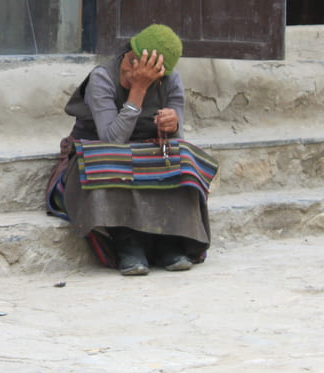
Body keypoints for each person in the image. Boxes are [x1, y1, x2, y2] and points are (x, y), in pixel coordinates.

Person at [45, 24, 218, 276]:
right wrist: (138, 90)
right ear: (126, 55)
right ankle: (128, 242)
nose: (131, 71)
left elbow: (176, 139)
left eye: (147, 72)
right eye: (130, 62)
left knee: (184, 159)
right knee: (113, 160)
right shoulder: (102, 78)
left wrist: (172, 124)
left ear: (160, 74)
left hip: (145, 155)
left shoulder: (172, 81)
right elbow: (112, 140)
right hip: (95, 159)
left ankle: (168, 241)